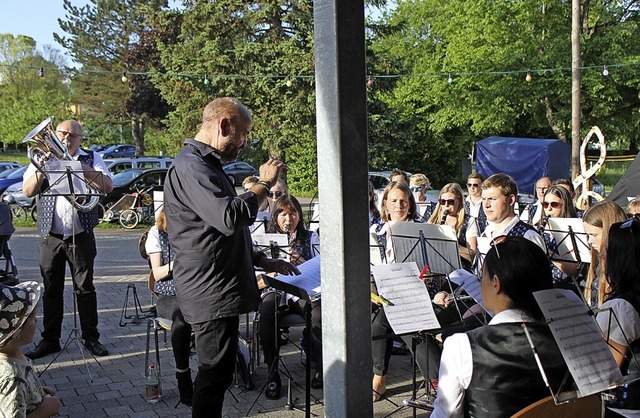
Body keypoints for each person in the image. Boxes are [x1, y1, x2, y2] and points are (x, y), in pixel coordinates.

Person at [163, 97, 299, 418]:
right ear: (224, 125)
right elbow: (229, 217)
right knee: (214, 375)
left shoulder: (206, 165)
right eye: (243, 134)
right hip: (210, 292)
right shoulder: (193, 167)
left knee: (220, 372)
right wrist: (264, 184)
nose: (244, 143)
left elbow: (221, 235)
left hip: (218, 288)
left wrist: (266, 262)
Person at [431, 237, 569, 417]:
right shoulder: (569, 337)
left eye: (483, 277)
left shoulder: (461, 346)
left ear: (496, 283)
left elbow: (446, 415)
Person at [23, 119, 113, 359]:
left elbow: (108, 186)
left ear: (80, 139)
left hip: (81, 233)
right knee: (51, 289)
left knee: (85, 288)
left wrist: (82, 169)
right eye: (62, 133)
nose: (66, 138)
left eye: (73, 135)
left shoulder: (91, 158)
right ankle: (50, 340)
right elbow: (28, 191)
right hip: (50, 235)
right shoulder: (43, 157)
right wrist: (42, 169)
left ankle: (91, 338)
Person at [258, 195, 321, 400]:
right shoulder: (264, 239)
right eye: (283, 214)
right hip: (276, 290)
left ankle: (321, 365)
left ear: (299, 215)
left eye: (293, 213)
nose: (288, 218)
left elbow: (322, 265)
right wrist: (273, 271)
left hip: (302, 291)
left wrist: (302, 262)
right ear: (275, 216)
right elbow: (257, 277)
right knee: (267, 311)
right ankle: (272, 372)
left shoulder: (311, 237)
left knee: (319, 314)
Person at [145, 207, 194, 406]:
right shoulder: (157, 233)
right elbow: (157, 274)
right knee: (181, 321)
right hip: (169, 293)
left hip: (195, 291)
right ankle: (183, 375)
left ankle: (216, 374)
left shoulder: (195, 229)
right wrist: (179, 262)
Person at [595, 218, 640, 415]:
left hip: (625, 409)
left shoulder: (620, 307)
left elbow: (607, 372)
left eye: (609, 249)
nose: (602, 255)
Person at [0, 281, 62, 417]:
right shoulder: (13, 378)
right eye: (32, 318)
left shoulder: (12, 359)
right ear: (16, 333)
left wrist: (35, 391)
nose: (37, 321)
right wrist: (47, 409)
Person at [582, 201, 626, 307]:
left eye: (594, 235)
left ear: (609, 232)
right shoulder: (599, 261)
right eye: (588, 235)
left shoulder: (622, 269)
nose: (590, 241)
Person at [540, 185, 579, 282]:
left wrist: (549, 254)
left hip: (566, 284)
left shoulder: (573, 231)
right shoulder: (542, 230)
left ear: (565, 205)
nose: (548, 209)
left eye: (554, 204)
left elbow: (575, 270)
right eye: (545, 204)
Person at [427, 183, 472, 264]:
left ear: (460, 202)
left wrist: (452, 244)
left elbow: (472, 255)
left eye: (451, 202)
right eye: (443, 201)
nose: (446, 205)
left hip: (461, 269)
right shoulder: (433, 221)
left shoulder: (469, 221)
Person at [464, 173, 487, 250]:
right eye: (469, 185)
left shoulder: (486, 203)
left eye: (475, 185)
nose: (472, 187)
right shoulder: (462, 203)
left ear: (482, 186)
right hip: (466, 242)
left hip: (484, 241)